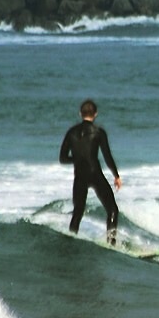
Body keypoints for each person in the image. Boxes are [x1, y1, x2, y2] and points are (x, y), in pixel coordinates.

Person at [60, 99, 122, 245]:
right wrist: (116, 176)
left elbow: (62, 158)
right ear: (95, 114)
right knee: (112, 210)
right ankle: (111, 243)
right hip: (95, 174)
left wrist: (77, 159)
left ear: (80, 113)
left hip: (80, 175)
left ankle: (70, 243)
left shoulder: (71, 132)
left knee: (78, 212)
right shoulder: (99, 132)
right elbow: (107, 156)